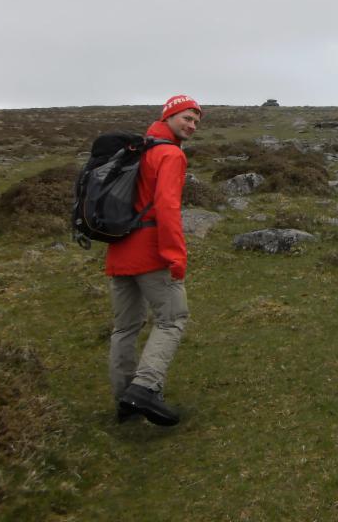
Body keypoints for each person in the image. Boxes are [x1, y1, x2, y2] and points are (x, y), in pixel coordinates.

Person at [109, 95, 201, 426]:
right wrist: (175, 256)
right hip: (150, 252)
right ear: (170, 116)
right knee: (172, 318)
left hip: (119, 250)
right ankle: (145, 388)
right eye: (187, 117)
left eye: (195, 121)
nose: (191, 125)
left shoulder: (138, 150)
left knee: (125, 328)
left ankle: (124, 400)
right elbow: (166, 209)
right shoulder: (170, 154)